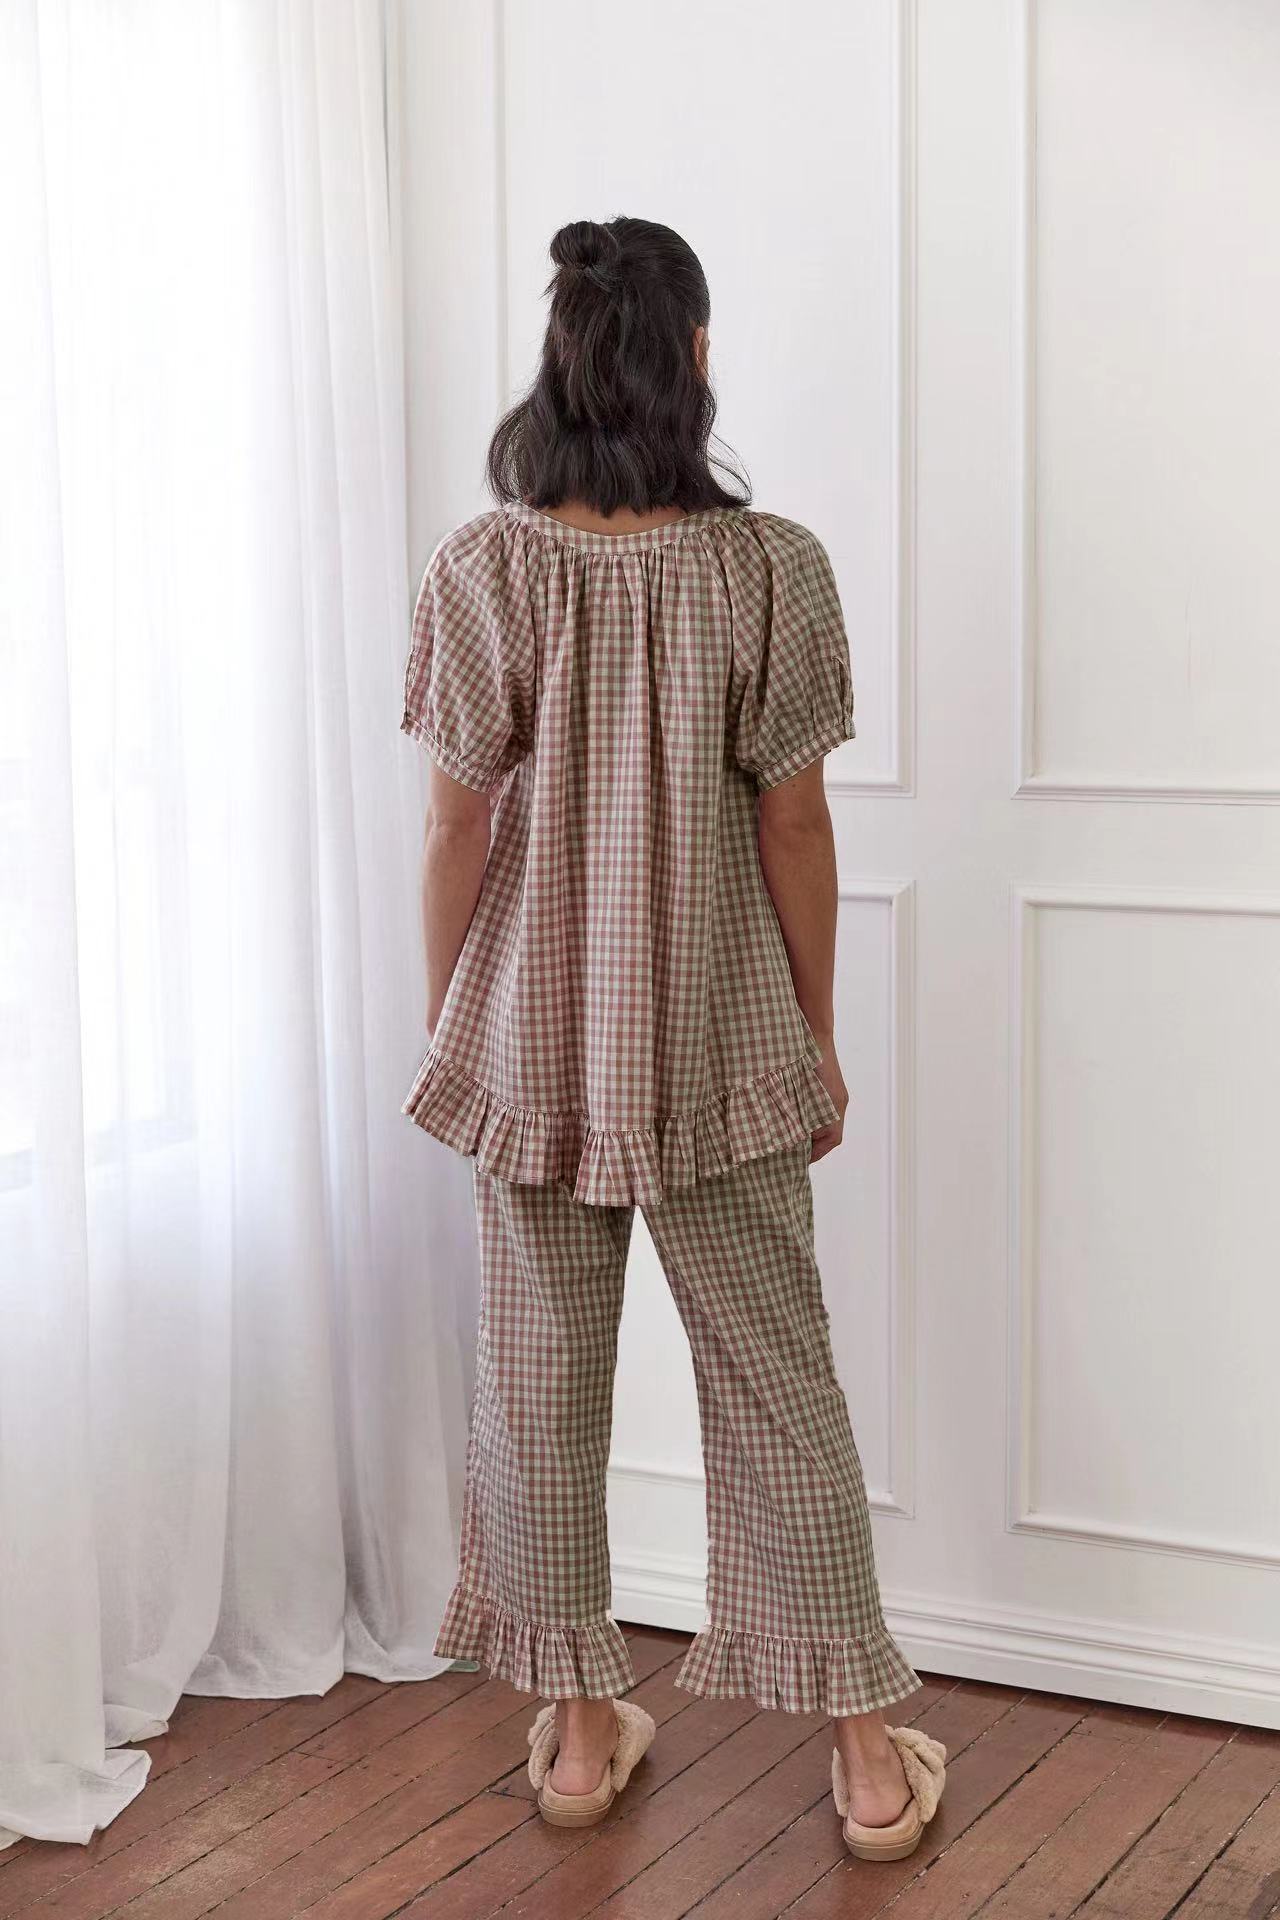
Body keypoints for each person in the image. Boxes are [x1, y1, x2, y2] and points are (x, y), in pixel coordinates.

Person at [400, 216, 945, 1858]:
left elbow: (454, 829)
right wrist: (817, 1033)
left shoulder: (483, 569)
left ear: (559, 362)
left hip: (533, 1041)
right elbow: (795, 825)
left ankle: (579, 1745)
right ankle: (867, 1766)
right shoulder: (770, 566)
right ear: (695, 357)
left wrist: (453, 1025)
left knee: (539, 1384)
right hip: (721, 1037)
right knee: (783, 1383)